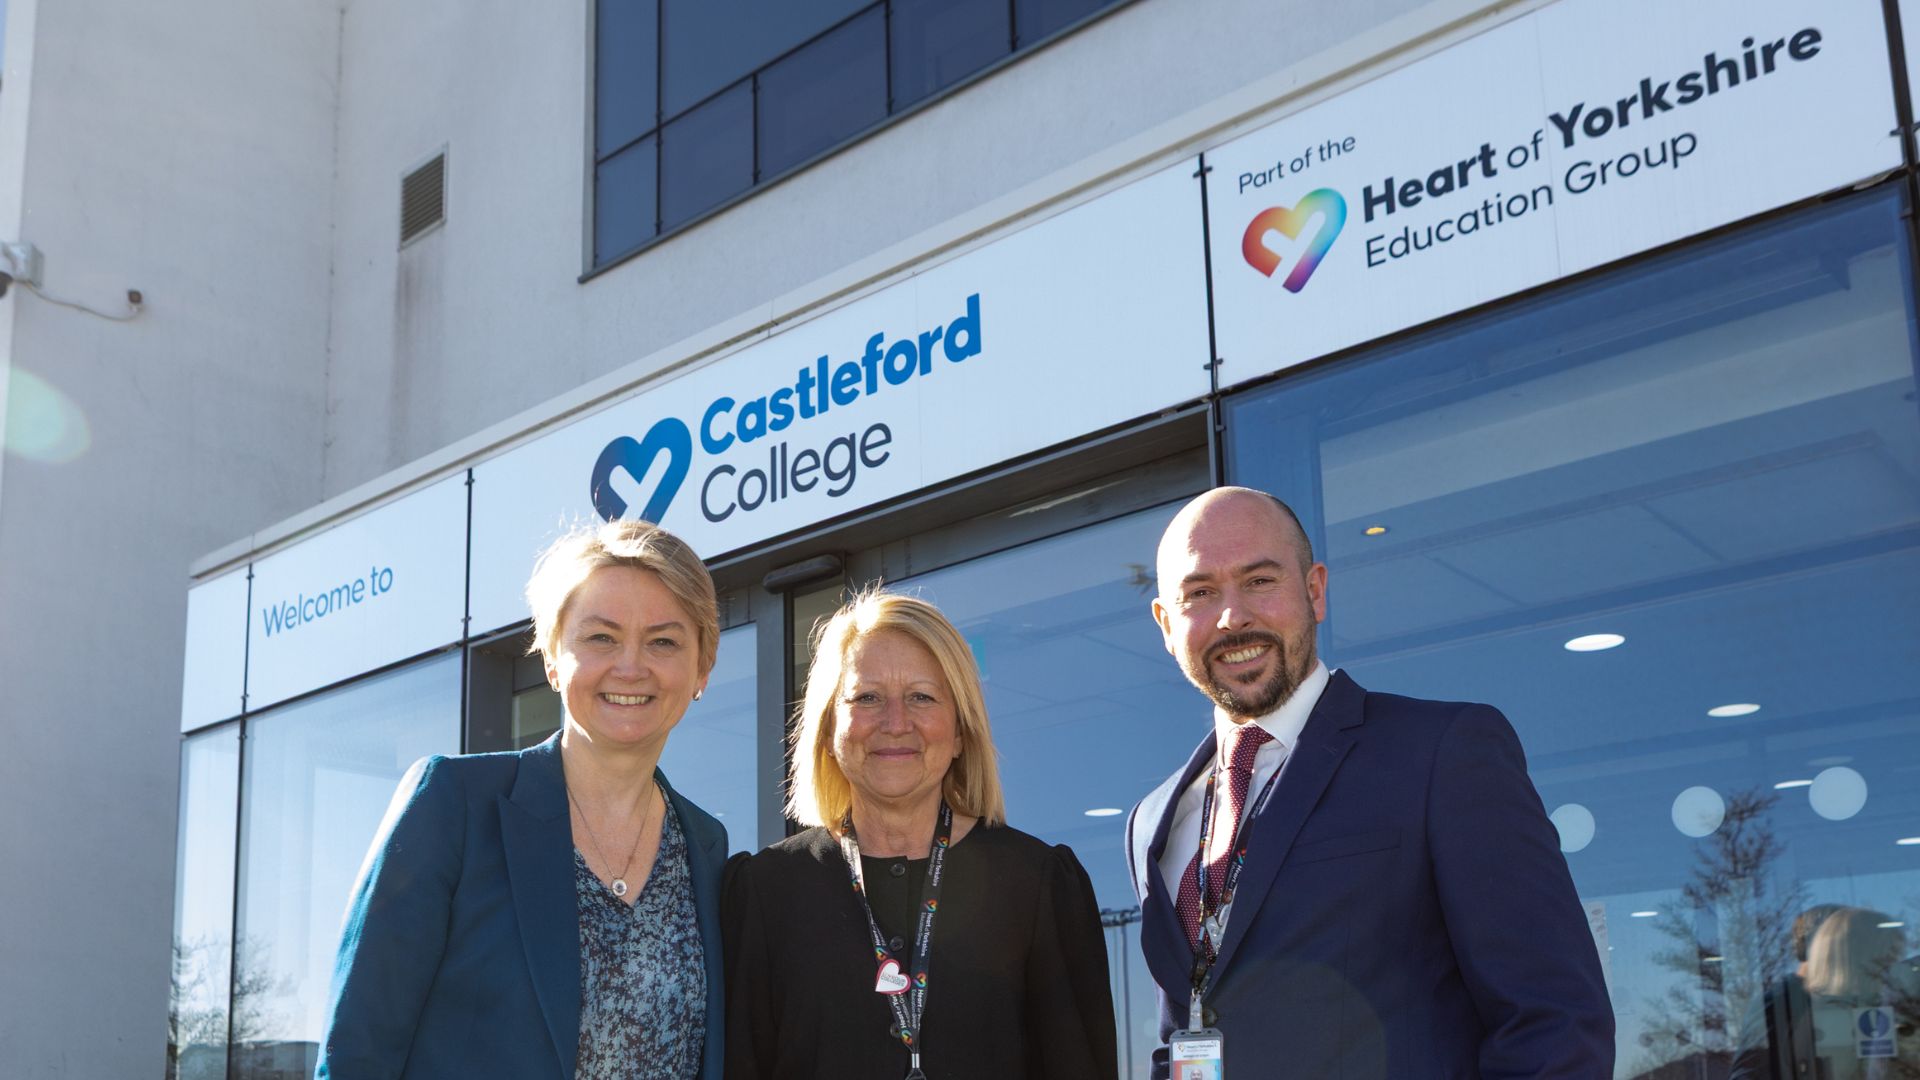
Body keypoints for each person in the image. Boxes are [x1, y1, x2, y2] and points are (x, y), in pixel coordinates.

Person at [1125, 487, 1615, 1077]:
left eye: (1260, 581)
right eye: (1200, 592)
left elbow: (1555, 1021)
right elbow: (1186, 1034)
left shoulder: (1442, 753)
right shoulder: (1154, 821)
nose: (1234, 616)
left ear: (1314, 591)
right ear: (1165, 623)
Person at [318, 518, 729, 1079]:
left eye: (664, 641)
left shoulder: (706, 847)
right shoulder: (452, 806)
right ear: (553, 659)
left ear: (701, 668)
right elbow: (356, 1056)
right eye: (601, 637)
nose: (631, 666)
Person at [722, 589, 1118, 1079]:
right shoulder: (766, 890)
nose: (895, 723)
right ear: (828, 729)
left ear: (958, 732)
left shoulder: (1036, 883)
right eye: (867, 698)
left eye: (921, 697)